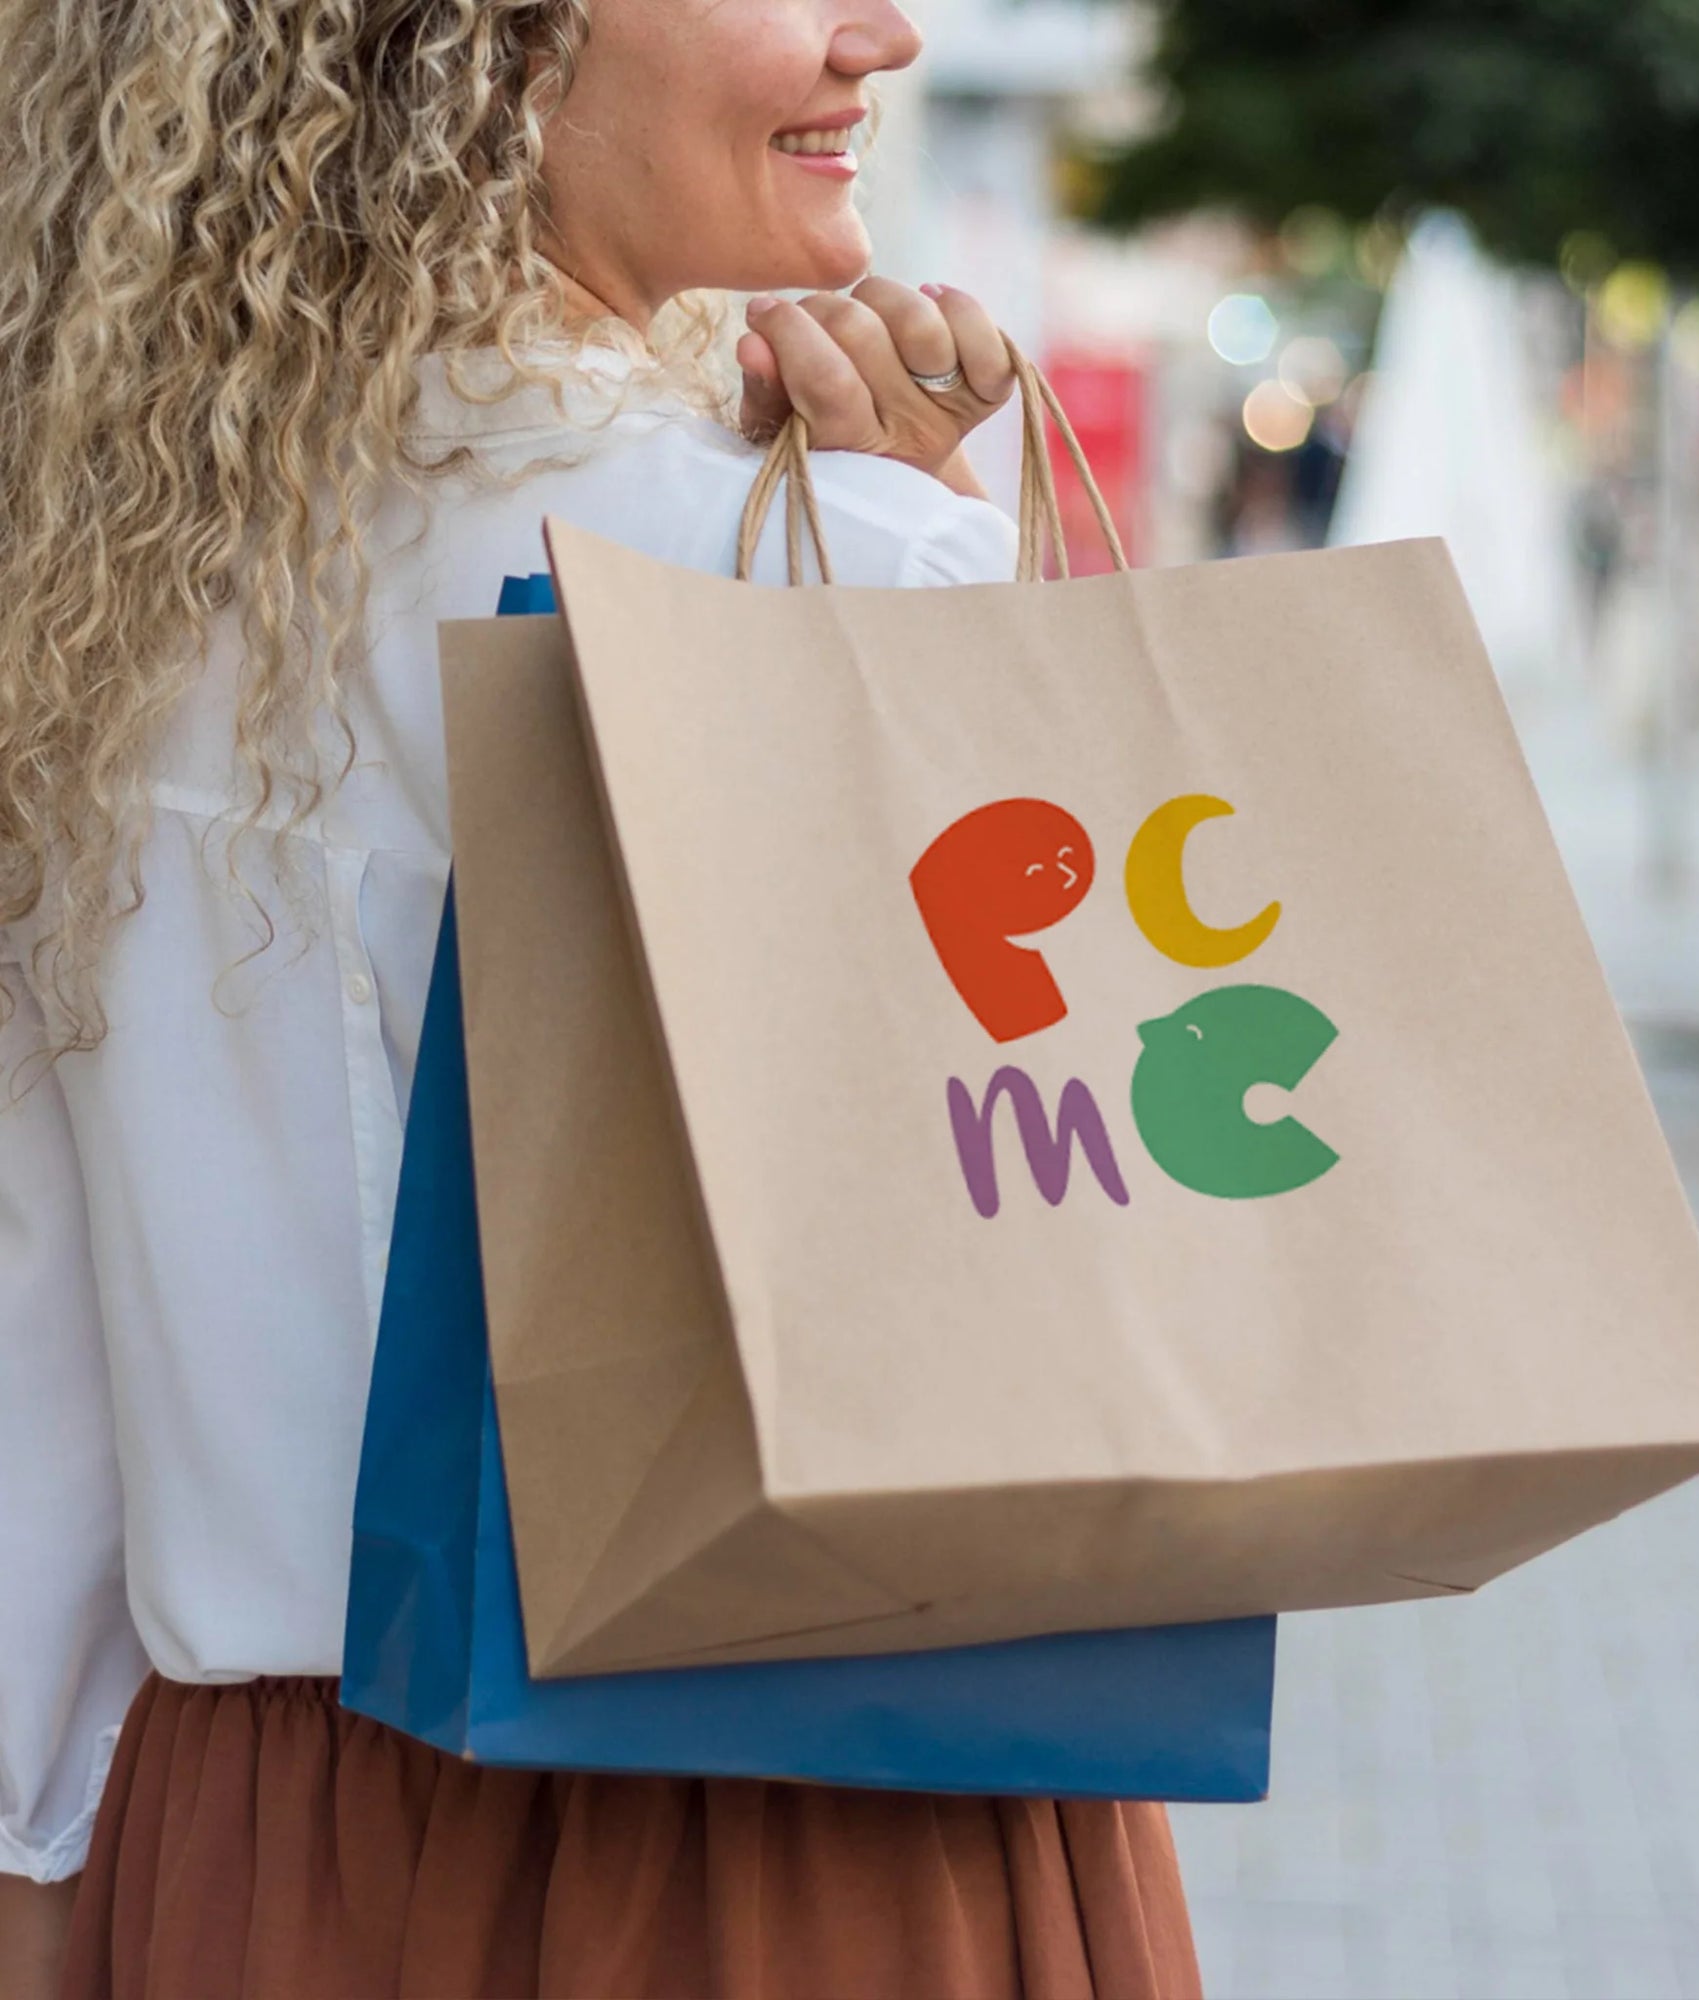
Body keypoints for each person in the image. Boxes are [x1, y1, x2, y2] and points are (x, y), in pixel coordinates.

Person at [0, 3, 1201, 1995]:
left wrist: (49, 1876)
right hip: (801, 1827)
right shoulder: (825, 559)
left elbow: (36, 1374)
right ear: (473, 37)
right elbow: (1094, 1312)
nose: (879, 31)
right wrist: (930, 607)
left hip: (243, 1836)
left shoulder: (106, 602)